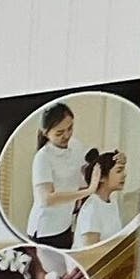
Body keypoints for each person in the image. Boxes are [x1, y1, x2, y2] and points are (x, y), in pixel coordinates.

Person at [23, 103, 87, 243]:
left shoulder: (76, 145)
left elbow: (86, 171)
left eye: (70, 128)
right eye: (59, 133)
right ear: (46, 133)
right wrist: (86, 192)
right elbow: (47, 199)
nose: (67, 135)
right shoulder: (43, 157)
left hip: (65, 225)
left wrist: (116, 159)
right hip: (45, 231)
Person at [74, 148, 133, 245]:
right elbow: (90, 252)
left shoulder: (113, 202)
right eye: (119, 171)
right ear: (101, 177)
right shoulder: (92, 208)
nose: (124, 175)